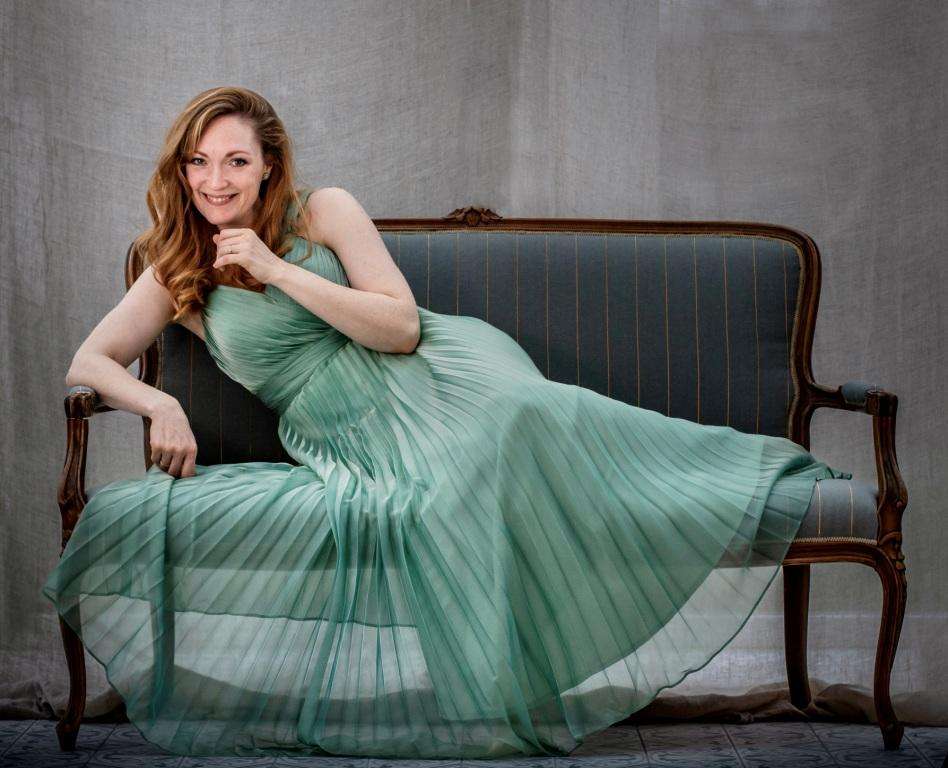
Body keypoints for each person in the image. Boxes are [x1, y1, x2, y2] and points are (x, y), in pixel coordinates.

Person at [42, 86, 850, 759]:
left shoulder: (322, 211)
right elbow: (90, 360)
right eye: (198, 162)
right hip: (346, 429)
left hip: (438, 372)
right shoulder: (178, 264)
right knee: (448, 496)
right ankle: (493, 694)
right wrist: (161, 403)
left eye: (235, 161)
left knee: (532, 414)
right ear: (180, 169)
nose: (215, 180)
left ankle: (752, 475)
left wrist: (275, 269)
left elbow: (399, 327)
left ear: (270, 166)